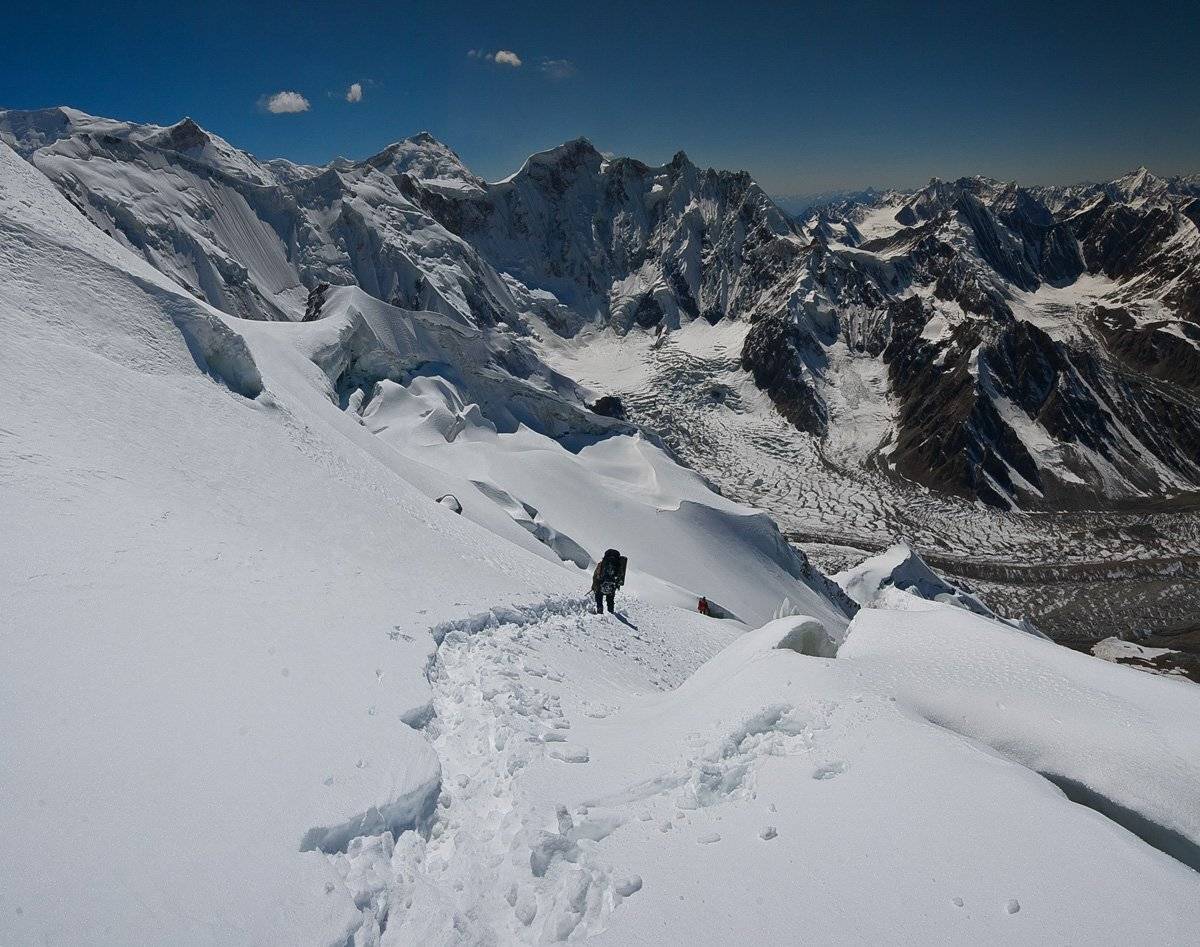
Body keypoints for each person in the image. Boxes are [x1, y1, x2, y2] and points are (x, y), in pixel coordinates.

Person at [592, 548, 626, 614]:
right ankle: (611, 611)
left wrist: (594, 586)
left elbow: (596, 575)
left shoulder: (601, 564)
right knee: (610, 599)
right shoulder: (618, 565)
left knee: (599, 595)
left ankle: (600, 609)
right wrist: (617, 585)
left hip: (601, 583)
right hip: (612, 584)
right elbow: (620, 575)